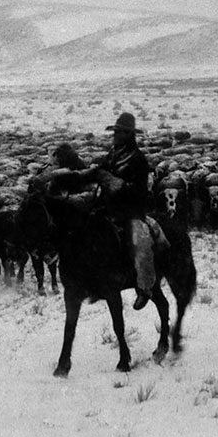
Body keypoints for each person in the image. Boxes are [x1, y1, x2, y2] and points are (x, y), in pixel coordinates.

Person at [91, 112, 156, 311]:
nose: (116, 136)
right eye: (116, 132)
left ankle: (144, 287)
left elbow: (140, 191)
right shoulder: (112, 154)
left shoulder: (138, 159)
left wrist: (116, 184)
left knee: (141, 242)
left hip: (130, 211)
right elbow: (99, 172)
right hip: (106, 207)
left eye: (120, 133)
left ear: (129, 135)